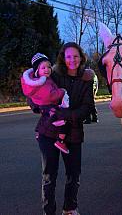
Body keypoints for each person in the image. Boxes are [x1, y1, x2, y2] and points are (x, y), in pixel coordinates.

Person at [28, 42, 95, 215]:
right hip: (48, 132)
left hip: (73, 133)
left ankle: (70, 208)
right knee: (49, 176)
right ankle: (48, 211)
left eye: (75, 56)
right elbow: (33, 95)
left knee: (74, 175)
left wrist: (65, 115)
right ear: (62, 58)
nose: (72, 60)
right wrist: (42, 108)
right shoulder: (53, 75)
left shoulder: (87, 78)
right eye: (68, 56)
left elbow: (87, 106)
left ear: (81, 57)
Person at [21, 53, 70, 154]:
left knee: (48, 119)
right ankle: (60, 141)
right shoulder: (42, 82)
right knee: (64, 121)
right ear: (37, 71)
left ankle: (40, 132)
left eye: (48, 67)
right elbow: (50, 95)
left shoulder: (42, 80)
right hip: (50, 105)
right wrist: (62, 91)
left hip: (46, 106)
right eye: (43, 68)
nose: (47, 69)